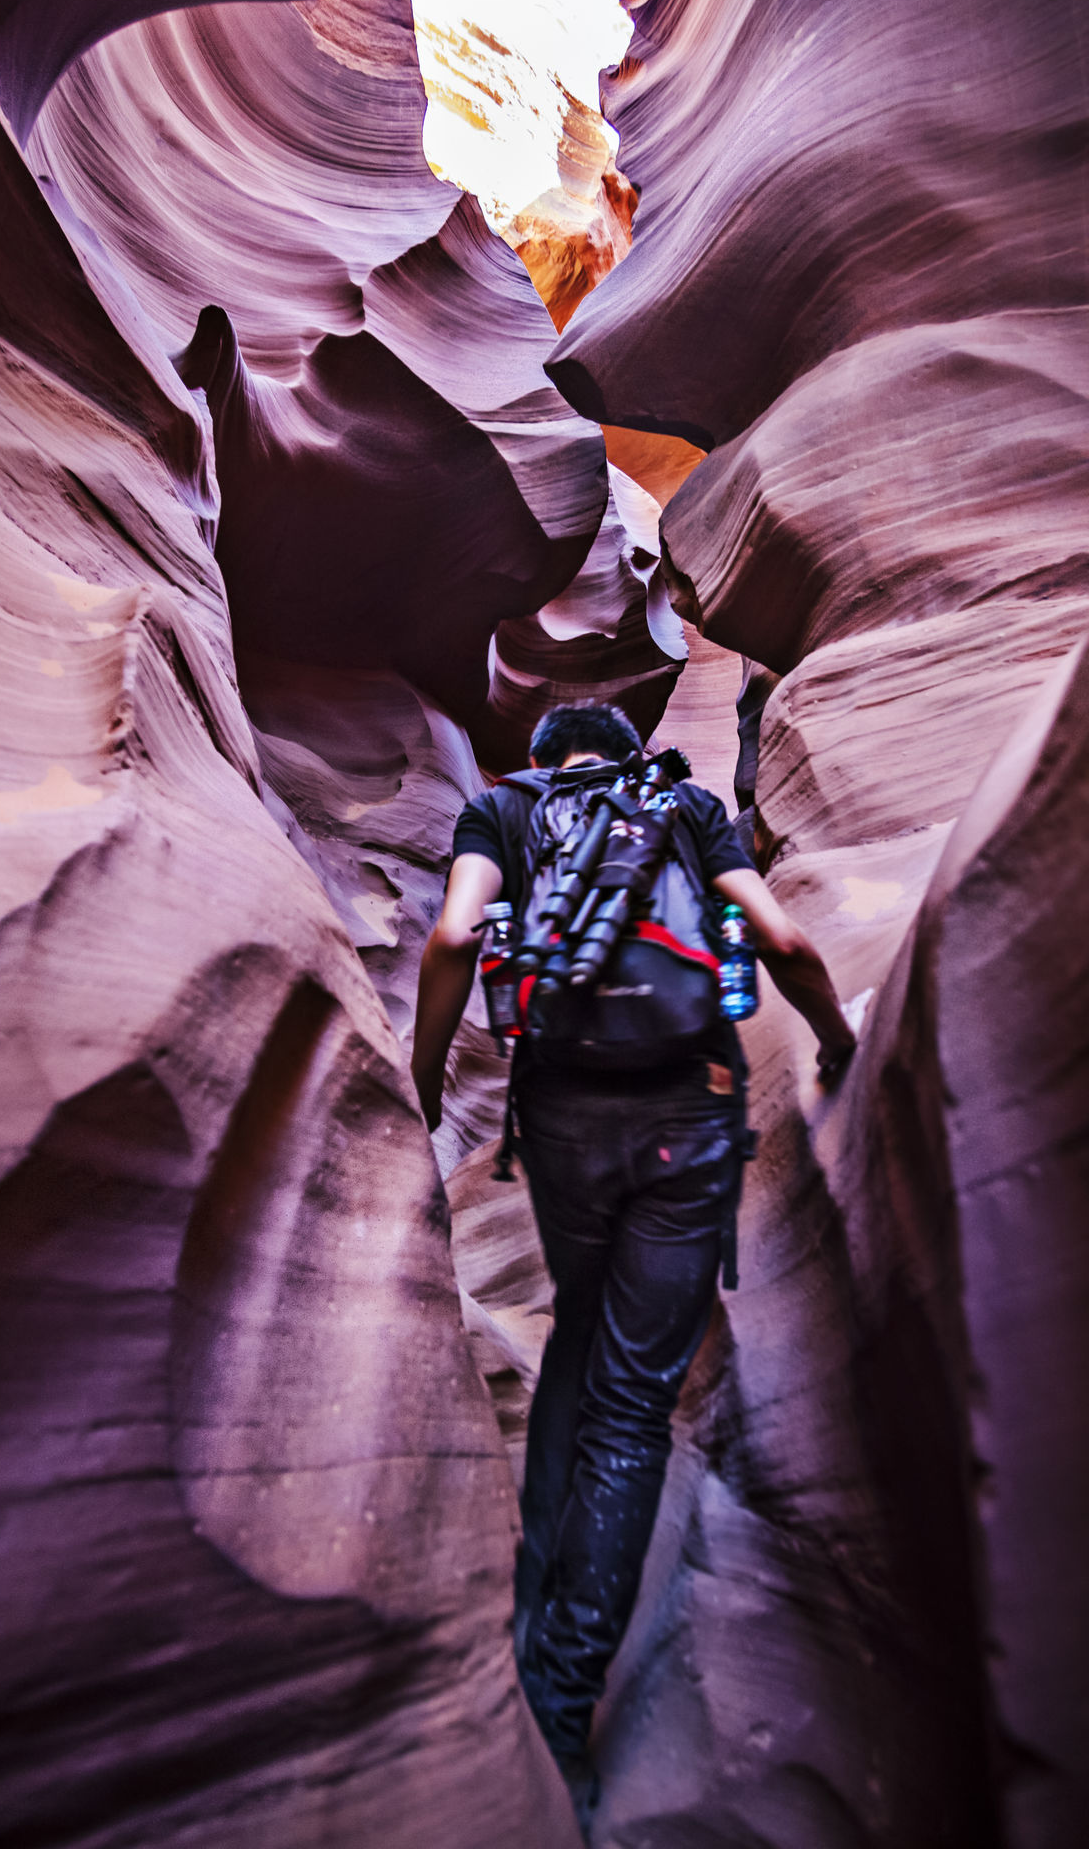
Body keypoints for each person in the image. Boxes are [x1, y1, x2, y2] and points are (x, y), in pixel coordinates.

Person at [411, 702, 855, 1822]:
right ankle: (562, 1693)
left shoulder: (499, 810)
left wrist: (419, 1086)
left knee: (579, 1312)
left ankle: (529, 1570)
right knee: (629, 1402)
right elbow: (783, 940)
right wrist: (840, 1041)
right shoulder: (689, 808)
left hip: (560, 1118)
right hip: (683, 1117)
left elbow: (455, 939)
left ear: (547, 751)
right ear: (619, 744)